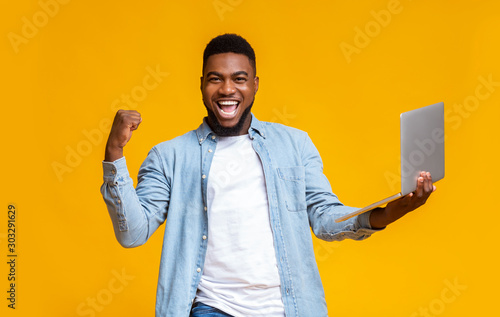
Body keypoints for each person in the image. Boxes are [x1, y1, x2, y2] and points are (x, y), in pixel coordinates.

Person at [100, 34, 435, 317]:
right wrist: (115, 154)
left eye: (239, 79)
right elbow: (133, 233)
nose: (227, 89)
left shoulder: (294, 143)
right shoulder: (170, 156)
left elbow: (324, 218)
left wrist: (394, 210)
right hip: (211, 307)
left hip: (288, 307)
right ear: (202, 85)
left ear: (255, 85)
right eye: (215, 78)